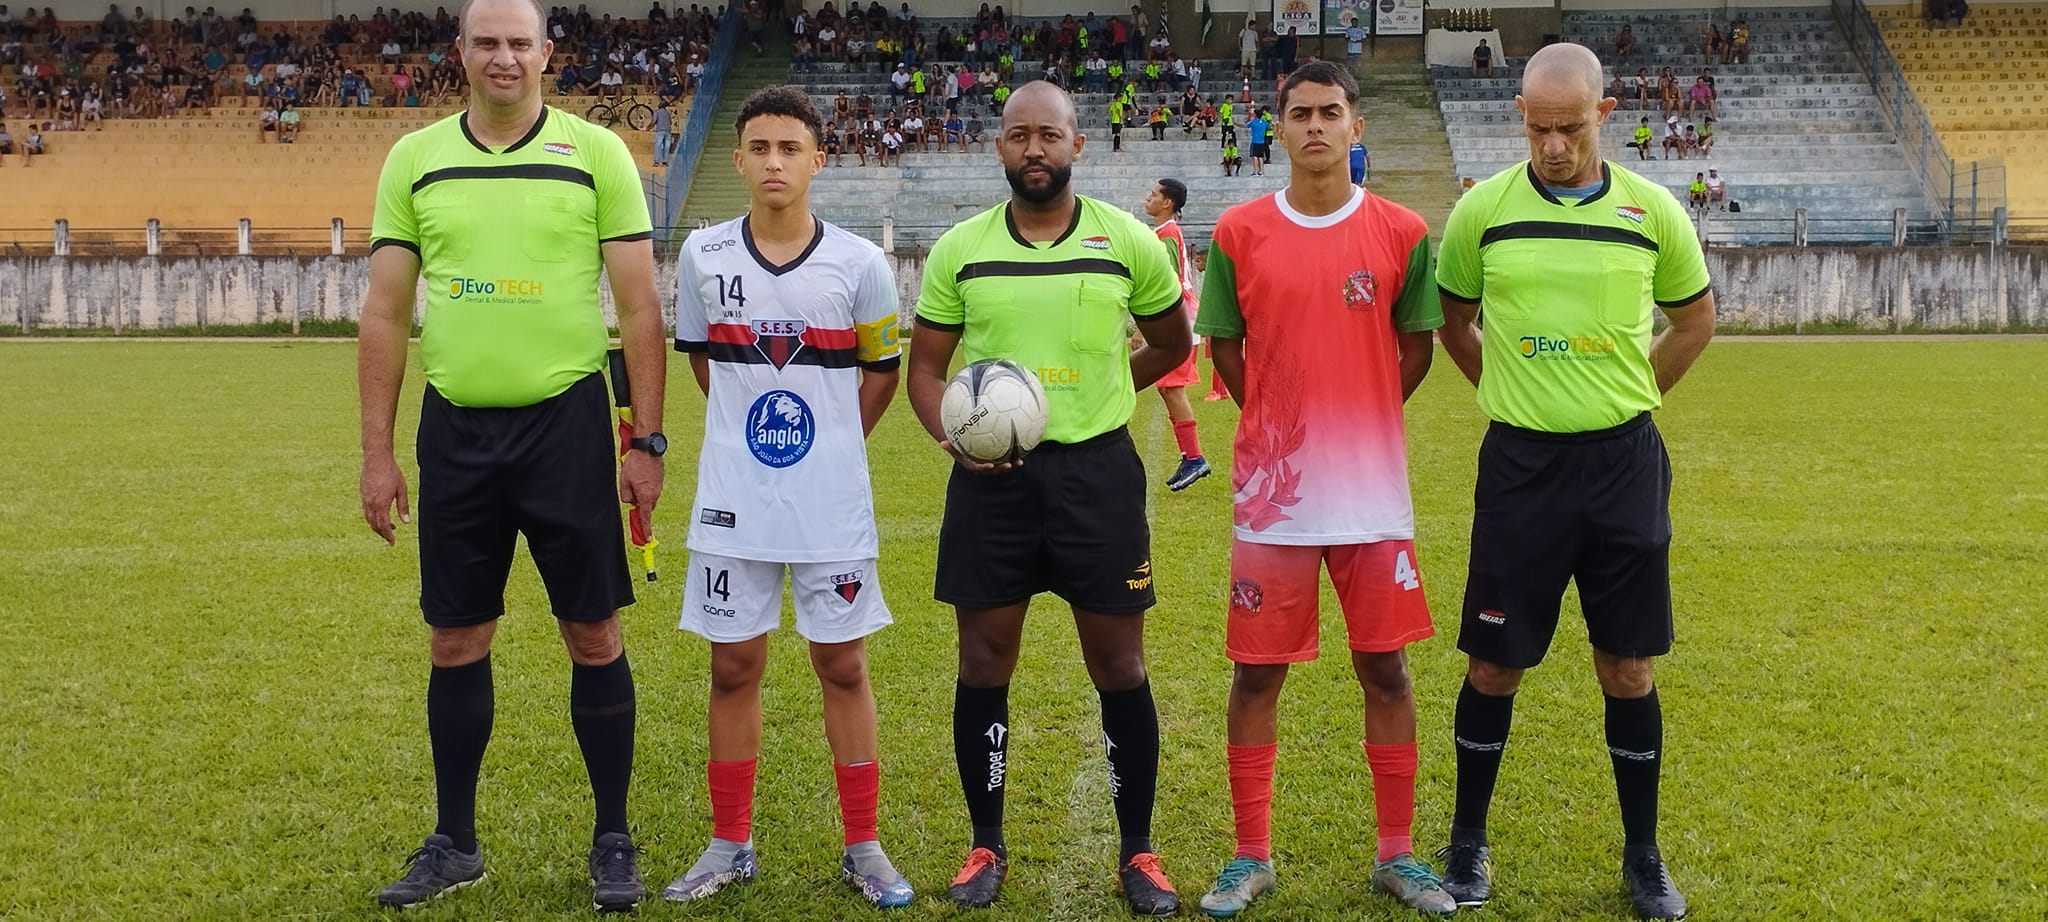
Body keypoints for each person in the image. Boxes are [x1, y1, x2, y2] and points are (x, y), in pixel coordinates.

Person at [357, 0, 665, 910]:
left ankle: (612, 837)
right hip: (455, 429)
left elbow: (641, 306)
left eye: (517, 42)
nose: (502, 57)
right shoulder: (413, 160)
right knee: (455, 636)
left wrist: (644, 438)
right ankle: (455, 842)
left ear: (546, 53)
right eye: (485, 41)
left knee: (593, 630)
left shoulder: (597, 154)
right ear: (460, 53)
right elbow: (382, 314)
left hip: (566, 424)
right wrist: (377, 455)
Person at [1432, 42, 1714, 922]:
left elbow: (1695, 318)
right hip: (1521, 468)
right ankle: (1467, 843)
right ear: (1520, 113)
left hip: (1625, 463)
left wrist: (1630, 396)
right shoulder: (1483, 211)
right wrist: (1514, 392)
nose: (1553, 146)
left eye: (1570, 127)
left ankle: (1643, 854)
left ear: (1606, 109)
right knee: (1493, 663)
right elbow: (1455, 319)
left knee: (1627, 665)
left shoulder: (1652, 209)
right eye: (1537, 127)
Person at [905, 79, 1191, 916]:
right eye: (1019, 135)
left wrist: (1108, 392)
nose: (1035, 149)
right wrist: (952, 437)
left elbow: (1171, 342)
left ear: (1077, 145)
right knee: (984, 662)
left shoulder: (1126, 241)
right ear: (999, 146)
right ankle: (984, 842)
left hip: (1097, 479)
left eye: (1050, 135)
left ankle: (1139, 851)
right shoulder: (961, 249)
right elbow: (925, 369)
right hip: (991, 486)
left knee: (1119, 664)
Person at [1191, 59, 1453, 919]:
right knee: (1256, 675)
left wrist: (1358, 412)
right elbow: (1228, 350)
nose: (1314, 126)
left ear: (1355, 126)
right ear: (1278, 128)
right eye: (1298, 113)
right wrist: (1280, 420)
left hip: (1372, 498)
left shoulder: (1404, 231)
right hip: (1275, 498)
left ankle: (1397, 854)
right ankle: (1249, 855)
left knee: (1386, 668)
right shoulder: (1237, 232)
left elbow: (1412, 353)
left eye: (1330, 112)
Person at [663, 85, 914, 910]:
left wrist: (832, 449)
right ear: (737, 159)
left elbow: (882, 375)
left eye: (790, 148)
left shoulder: (861, 264)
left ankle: (864, 846)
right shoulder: (703, 256)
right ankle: (729, 843)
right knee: (733, 665)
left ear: (817, 159)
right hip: (734, 499)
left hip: (831, 503)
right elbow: (705, 366)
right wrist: (754, 443)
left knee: (842, 663)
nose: (774, 161)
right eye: (760, 148)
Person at [1139, 177, 1211, 491]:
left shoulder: (1166, 234)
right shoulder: (1164, 232)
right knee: (1167, 389)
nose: (1148, 197)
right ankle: (1189, 456)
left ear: (1167, 203)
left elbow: (1167, 281)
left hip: (1181, 318)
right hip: (1181, 318)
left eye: (1153, 194)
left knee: (1174, 389)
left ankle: (1194, 458)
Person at [1246, 106, 1270, 176]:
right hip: (1262, 141)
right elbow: (1269, 127)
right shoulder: (1264, 122)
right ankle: (1261, 171)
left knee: (1255, 156)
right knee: (1261, 157)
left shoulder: (1253, 122)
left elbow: (1246, 125)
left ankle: (1255, 171)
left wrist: (1235, 123)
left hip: (1255, 141)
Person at [651, 97, 672, 167]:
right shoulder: (667, 113)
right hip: (668, 131)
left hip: (660, 130)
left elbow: (654, 121)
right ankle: (665, 162)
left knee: (658, 146)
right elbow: (670, 122)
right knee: (666, 147)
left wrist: (649, 127)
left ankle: (656, 161)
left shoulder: (657, 111)